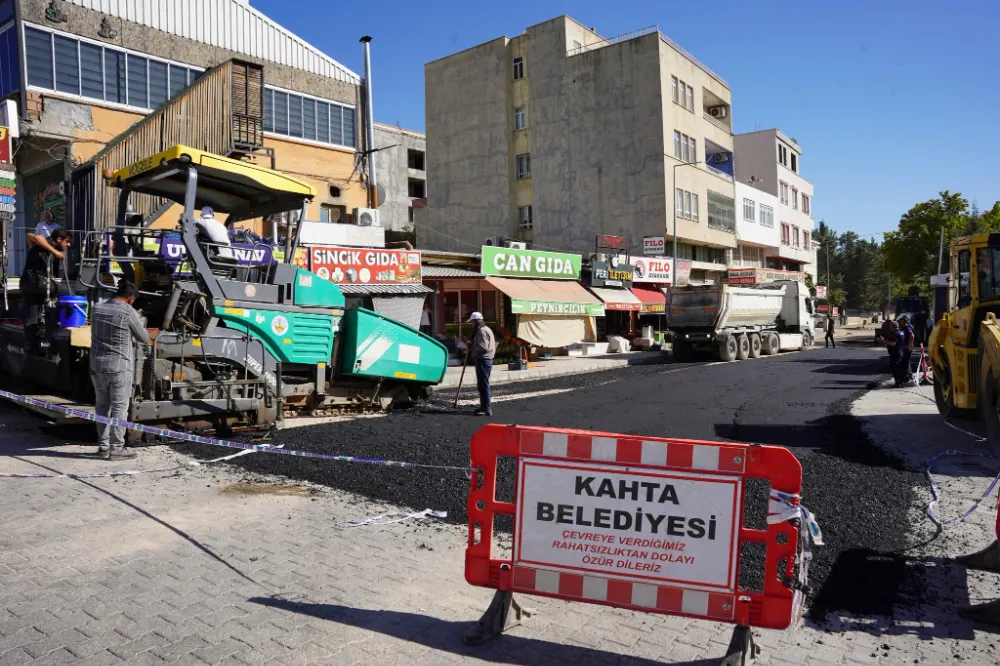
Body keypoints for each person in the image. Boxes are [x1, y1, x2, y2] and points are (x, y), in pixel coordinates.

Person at [90, 281, 150, 460]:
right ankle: (116, 448)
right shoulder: (127, 311)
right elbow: (143, 337)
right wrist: (137, 318)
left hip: (97, 365)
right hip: (119, 367)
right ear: (131, 299)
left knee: (101, 406)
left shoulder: (97, 308)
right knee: (119, 407)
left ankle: (103, 447)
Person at [20, 228, 72, 352]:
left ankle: (32, 347)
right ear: (59, 239)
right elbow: (33, 236)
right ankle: (65, 324)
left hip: (27, 284)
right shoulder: (45, 243)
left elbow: (30, 237)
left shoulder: (38, 246)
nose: (68, 245)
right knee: (68, 291)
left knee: (32, 316)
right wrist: (54, 251)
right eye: (67, 241)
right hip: (37, 281)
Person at [468, 311, 496, 416]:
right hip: (485, 359)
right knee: (482, 384)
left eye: (472, 322)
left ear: (475, 321)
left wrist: (472, 347)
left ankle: (487, 409)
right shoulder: (486, 329)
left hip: (483, 360)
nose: (472, 324)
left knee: (484, 385)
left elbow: (483, 347)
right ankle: (483, 407)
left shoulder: (481, 331)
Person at [876, 320, 905, 387]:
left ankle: (898, 383)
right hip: (900, 351)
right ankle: (899, 382)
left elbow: (893, 343)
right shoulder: (901, 332)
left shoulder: (895, 333)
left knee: (895, 368)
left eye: (890, 326)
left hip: (895, 353)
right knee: (898, 368)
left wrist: (882, 341)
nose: (889, 328)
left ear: (892, 327)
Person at [899, 315, 915, 385]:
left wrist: (909, 345)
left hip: (907, 347)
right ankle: (909, 376)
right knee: (906, 362)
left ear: (905, 321)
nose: (900, 322)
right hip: (905, 346)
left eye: (902, 321)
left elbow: (912, 336)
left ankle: (907, 377)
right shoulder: (903, 327)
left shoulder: (907, 327)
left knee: (905, 362)